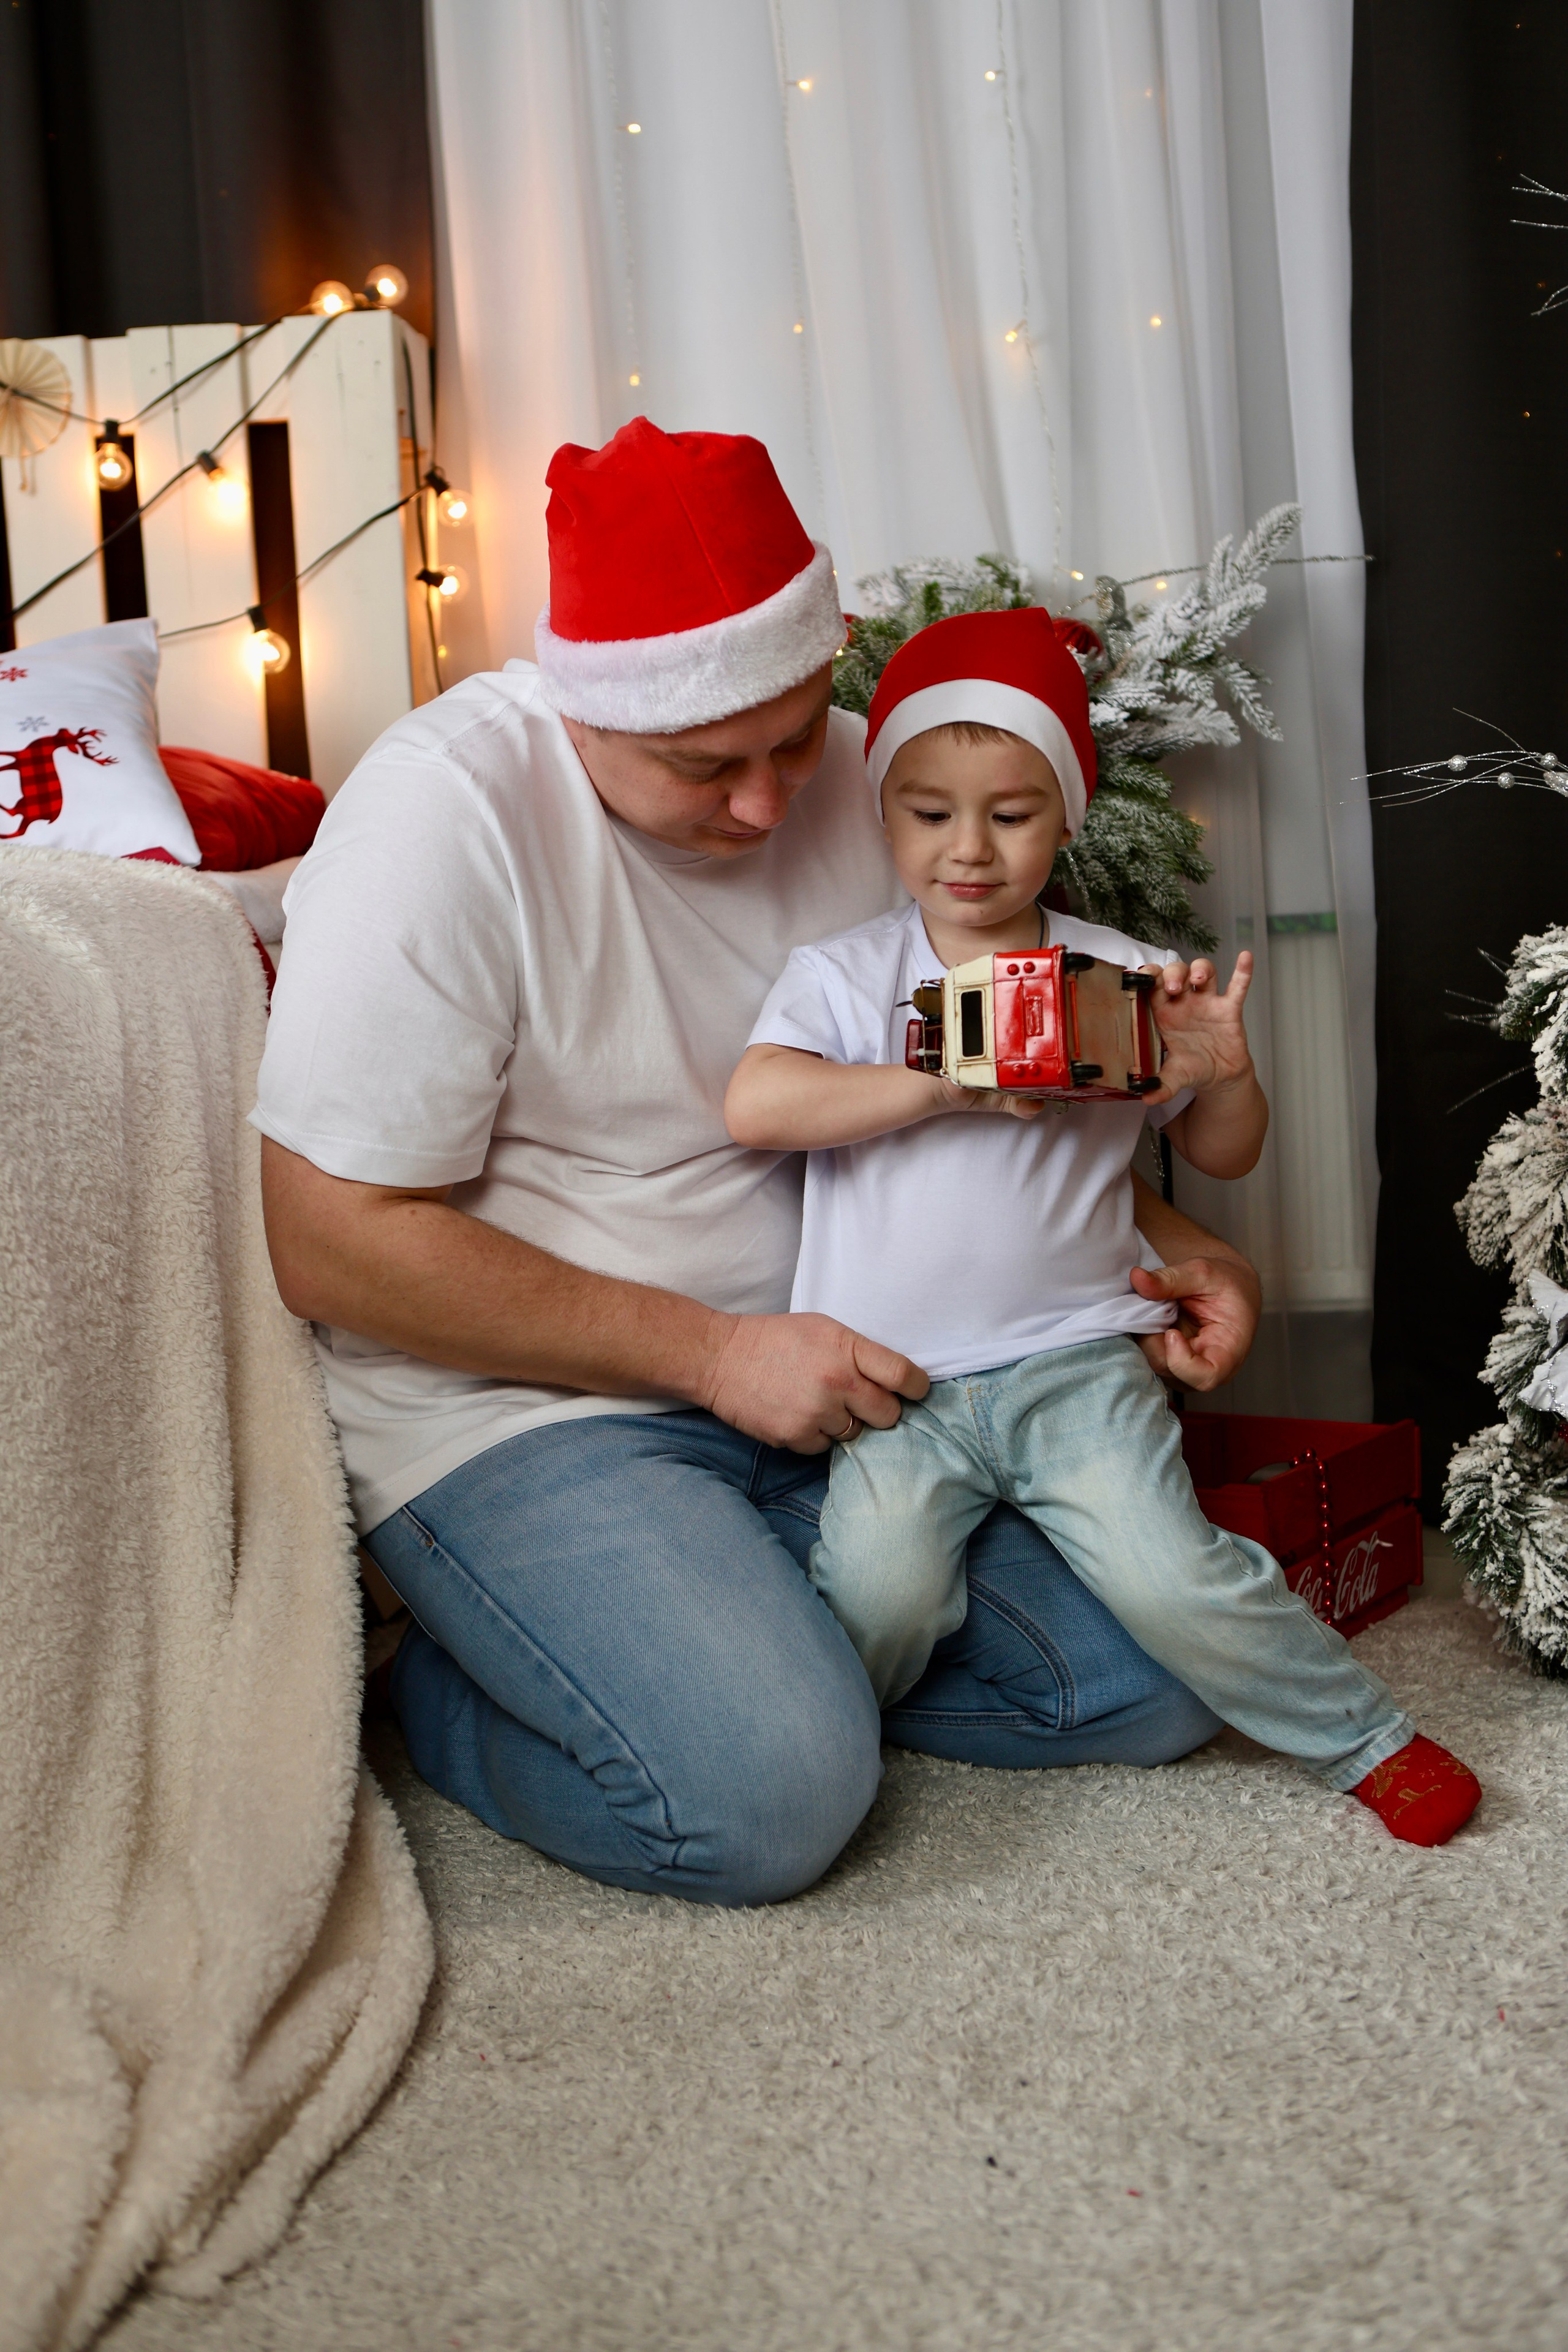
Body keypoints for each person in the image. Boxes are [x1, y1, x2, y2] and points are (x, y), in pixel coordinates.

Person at [260, 417, 1265, 1908]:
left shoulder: (886, 785)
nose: (762, 801)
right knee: (763, 1799)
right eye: (699, 766)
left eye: (793, 736)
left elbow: (1000, 1085)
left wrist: (1184, 1245)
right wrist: (717, 1353)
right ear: (579, 715)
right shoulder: (441, 816)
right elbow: (328, 1240)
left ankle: (734, 1653)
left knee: (1163, 1680)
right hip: (535, 1409)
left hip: (867, 1379)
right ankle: (450, 1691)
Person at [725, 610, 1481, 1847]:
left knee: (1171, 1572)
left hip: (1077, 1360)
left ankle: (1364, 1740)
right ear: (882, 814)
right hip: (896, 1382)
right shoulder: (845, 977)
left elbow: (1220, 1151)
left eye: (1010, 815)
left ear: (1068, 813)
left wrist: (1222, 1073)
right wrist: (940, 1082)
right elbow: (758, 1104)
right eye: (927, 813)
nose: (967, 850)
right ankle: (819, 1754)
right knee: (879, 1585)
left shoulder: (1118, 976)